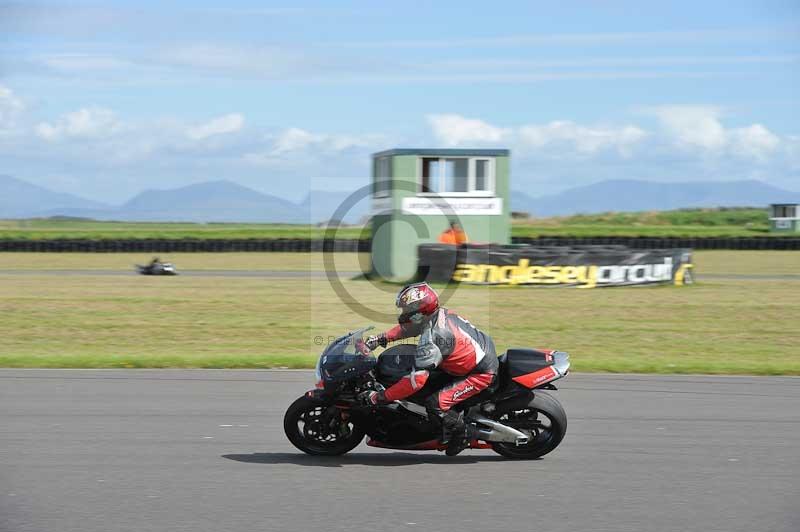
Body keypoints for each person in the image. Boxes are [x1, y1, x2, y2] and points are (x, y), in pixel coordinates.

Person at [362, 282, 498, 456]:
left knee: (435, 404)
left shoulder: (434, 339)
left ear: (420, 312)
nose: (403, 314)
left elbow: (415, 382)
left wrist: (380, 397)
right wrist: (382, 338)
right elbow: (410, 328)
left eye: (407, 310)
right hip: (474, 354)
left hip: (479, 373)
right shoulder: (436, 315)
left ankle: (462, 433)